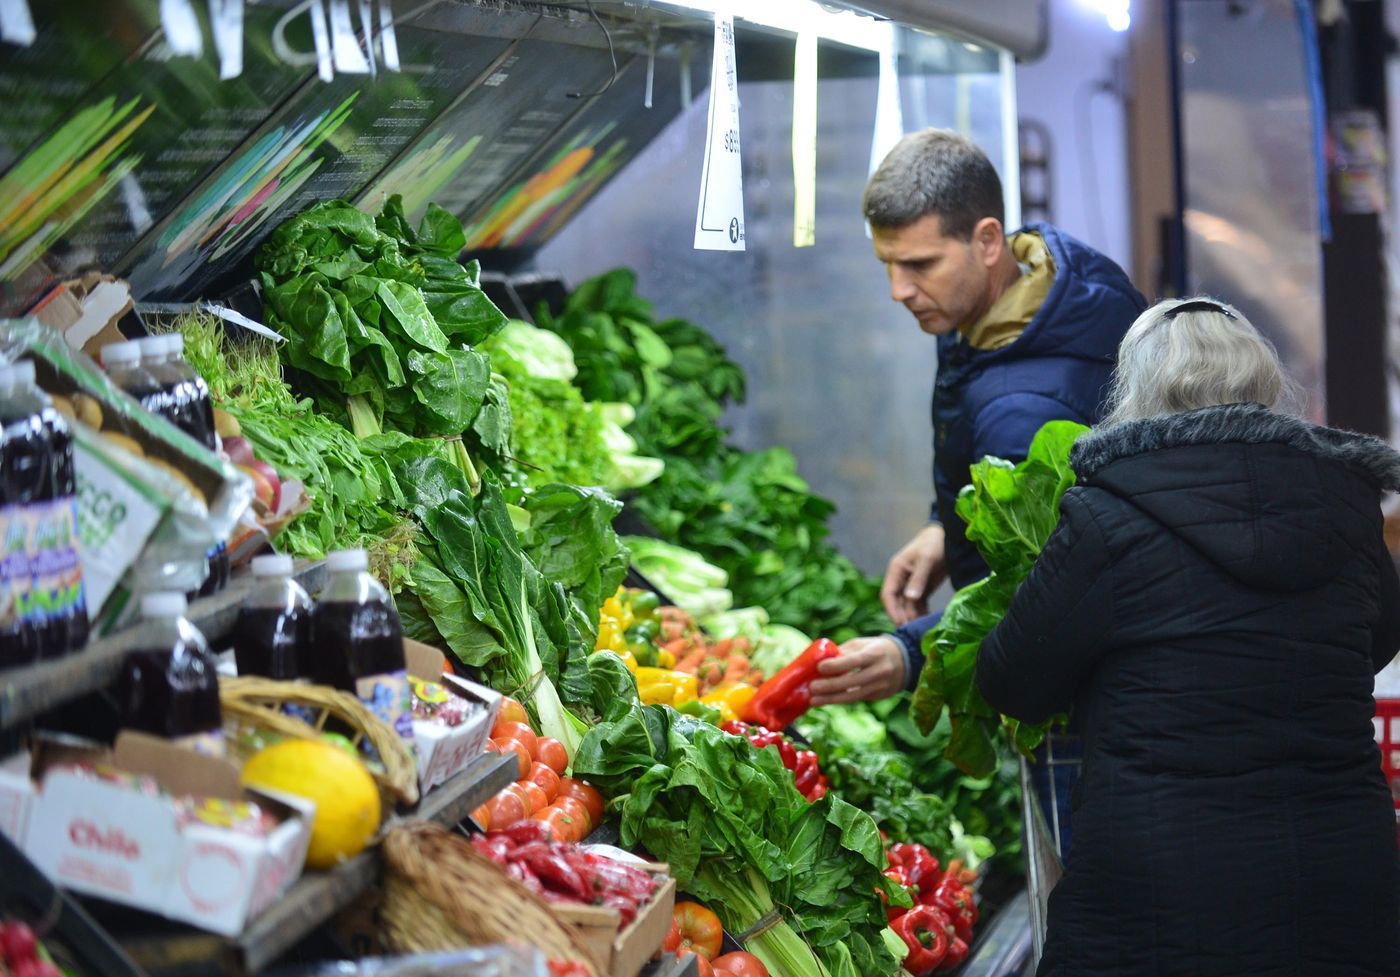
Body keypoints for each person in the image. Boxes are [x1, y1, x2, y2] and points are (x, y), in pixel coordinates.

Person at [977, 297, 1400, 977]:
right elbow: (1378, 637)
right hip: (1336, 869)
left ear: (1135, 391)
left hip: (1158, 880)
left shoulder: (1108, 513)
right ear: (1265, 384)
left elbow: (1013, 680)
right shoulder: (1347, 503)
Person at [810, 129, 1143, 711]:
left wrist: (910, 654)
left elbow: (1043, 600)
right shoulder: (1050, 279)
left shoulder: (1025, 412)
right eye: (887, 264)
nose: (898, 291)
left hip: (1086, 696)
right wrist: (948, 524)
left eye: (919, 264)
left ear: (988, 240)